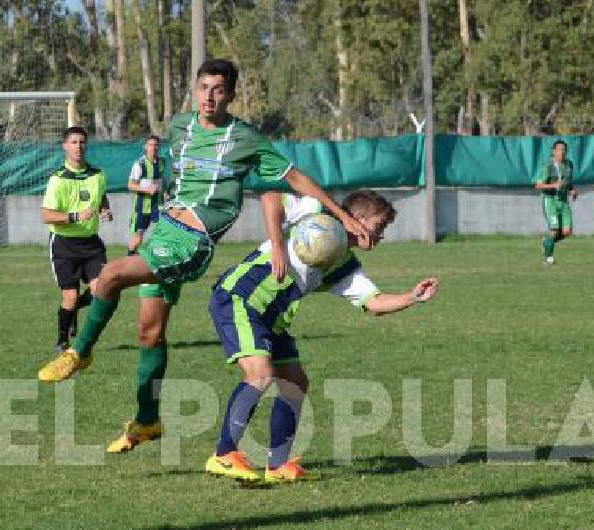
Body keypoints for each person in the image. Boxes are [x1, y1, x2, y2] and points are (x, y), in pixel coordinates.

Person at [36, 58, 369, 452]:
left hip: (191, 244)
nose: (209, 96)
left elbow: (293, 178)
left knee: (109, 275)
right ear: (194, 90)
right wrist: (151, 224)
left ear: (230, 94)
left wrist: (342, 214)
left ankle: (80, 352)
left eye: (218, 89)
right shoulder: (180, 127)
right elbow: (173, 182)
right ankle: (147, 420)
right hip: (163, 233)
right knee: (150, 332)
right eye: (203, 87)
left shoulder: (245, 138)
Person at [205, 190, 440, 483]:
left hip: (272, 319)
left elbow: (374, 303)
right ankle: (223, 454)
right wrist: (278, 245)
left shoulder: (343, 262)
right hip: (240, 299)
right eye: (379, 227)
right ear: (359, 219)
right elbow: (271, 198)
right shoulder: (315, 212)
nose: (381, 236)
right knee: (260, 374)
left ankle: (278, 465)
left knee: (295, 381)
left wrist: (412, 297)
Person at [41, 126, 113, 354]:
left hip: (91, 244)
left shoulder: (97, 175)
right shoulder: (57, 180)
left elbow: (101, 196)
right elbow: (47, 215)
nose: (79, 146)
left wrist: (104, 210)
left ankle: (73, 311)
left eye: (82, 142)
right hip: (64, 244)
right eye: (74, 142)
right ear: (65, 146)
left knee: (102, 291)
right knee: (70, 296)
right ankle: (62, 340)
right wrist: (74, 216)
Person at [534, 139, 578, 264]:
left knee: (567, 231)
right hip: (550, 200)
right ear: (553, 151)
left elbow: (568, 182)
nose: (562, 152)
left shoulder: (569, 165)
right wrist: (553, 186)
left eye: (564, 150)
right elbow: (538, 185)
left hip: (563, 201)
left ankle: (546, 242)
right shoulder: (548, 166)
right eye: (559, 149)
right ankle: (548, 259)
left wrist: (572, 190)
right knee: (554, 231)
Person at [127, 135, 167, 256]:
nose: (153, 148)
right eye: (150, 145)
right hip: (142, 206)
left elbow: (161, 180)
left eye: (156, 145)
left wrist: (165, 192)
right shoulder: (139, 164)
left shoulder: (162, 162)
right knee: (138, 237)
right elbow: (130, 185)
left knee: (165, 229)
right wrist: (146, 189)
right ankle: (130, 259)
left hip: (158, 205)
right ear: (145, 147)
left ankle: (159, 258)